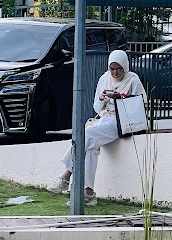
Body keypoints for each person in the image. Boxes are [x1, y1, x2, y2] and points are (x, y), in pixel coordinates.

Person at [47, 49, 145, 206]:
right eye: (111, 69)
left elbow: (140, 104)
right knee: (90, 148)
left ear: (125, 67)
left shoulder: (132, 79)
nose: (115, 73)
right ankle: (88, 193)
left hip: (121, 121)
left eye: (118, 69)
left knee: (86, 134)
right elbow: (97, 107)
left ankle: (66, 175)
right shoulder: (104, 78)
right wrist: (102, 98)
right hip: (105, 118)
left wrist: (121, 98)